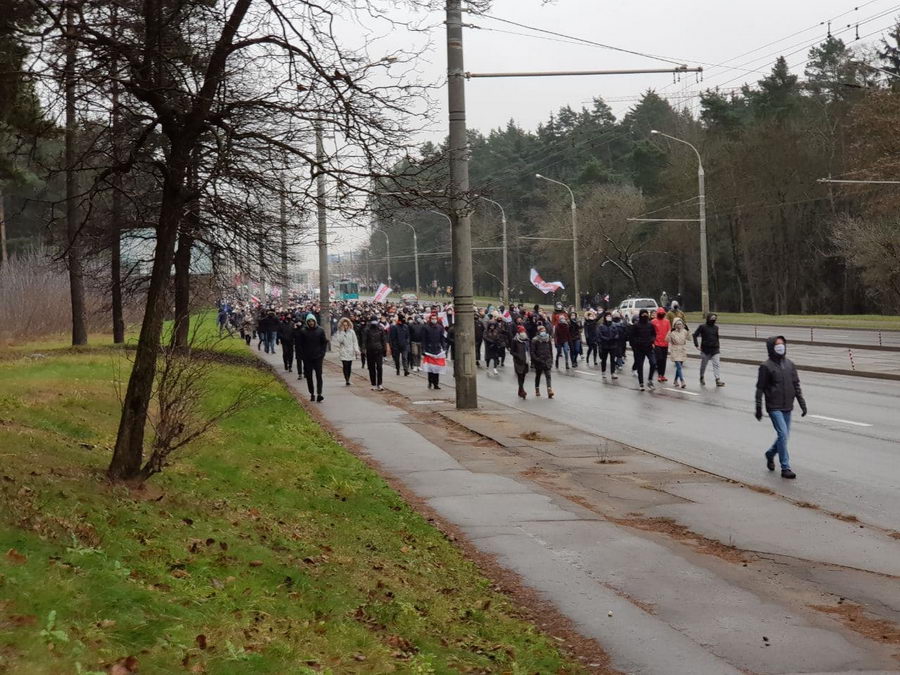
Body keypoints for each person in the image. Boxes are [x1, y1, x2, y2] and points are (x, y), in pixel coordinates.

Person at [755, 336, 807, 479]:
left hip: (787, 406)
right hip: (774, 406)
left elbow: (796, 385)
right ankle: (785, 467)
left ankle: (770, 454)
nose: (780, 346)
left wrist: (802, 403)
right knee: (783, 434)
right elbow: (760, 388)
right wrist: (758, 407)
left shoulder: (790, 364)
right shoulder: (766, 366)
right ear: (771, 347)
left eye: (782, 344)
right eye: (777, 344)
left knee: (784, 436)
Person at [296, 314, 327, 402]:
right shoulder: (303, 331)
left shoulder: (320, 330)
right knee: (309, 376)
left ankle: (319, 393)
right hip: (307, 357)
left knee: (319, 375)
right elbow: (299, 345)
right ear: (307, 322)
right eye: (309, 321)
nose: (311, 323)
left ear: (315, 321)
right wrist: (302, 355)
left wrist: (322, 353)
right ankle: (312, 393)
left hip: (318, 357)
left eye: (312, 321)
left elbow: (324, 343)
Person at [693, 313, 725, 387]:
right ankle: (701, 377)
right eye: (712, 318)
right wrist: (696, 345)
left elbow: (716, 337)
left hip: (715, 349)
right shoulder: (702, 327)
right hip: (705, 350)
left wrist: (718, 346)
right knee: (704, 365)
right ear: (708, 318)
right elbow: (695, 335)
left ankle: (717, 380)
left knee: (716, 364)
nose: (713, 320)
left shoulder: (716, 327)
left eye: (715, 318)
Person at [629, 309, 657, 391]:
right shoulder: (636, 325)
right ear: (640, 315)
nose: (644, 316)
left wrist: (652, 340)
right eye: (643, 314)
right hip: (639, 349)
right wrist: (636, 344)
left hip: (649, 347)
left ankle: (650, 380)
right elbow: (631, 337)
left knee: (653, 363)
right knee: (640, 365)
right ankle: (641, 383)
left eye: (646, 314)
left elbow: (654, 334)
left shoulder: (650, 325)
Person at [422, 313, 448, 390]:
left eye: (435, 318)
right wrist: (423, 349)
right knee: (430, 368)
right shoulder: (425, 327)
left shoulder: (440, 328)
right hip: (429, 350)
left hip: (437, 350)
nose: (434, 320)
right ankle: (430, 382)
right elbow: (423, 340)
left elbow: (442, 339)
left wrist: (444, 347)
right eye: (432, 318)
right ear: (430, 319)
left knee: (437, 368)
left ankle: (436, 384)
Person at [333, 317, 359, 386]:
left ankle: (348, 378)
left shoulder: (352, 332)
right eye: (344, 325)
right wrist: (342, 332)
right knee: (345, 365)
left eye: (346, 325)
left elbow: (355, 341)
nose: (345, 326)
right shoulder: (339, 332)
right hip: (343, 351)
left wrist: (356, 349)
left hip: (350, 351)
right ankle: (346, 378)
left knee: (349, 366)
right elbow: (339, 340)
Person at [530, 323, 554, 398]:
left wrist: (551, 358)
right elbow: (532, 352)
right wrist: (536, 359)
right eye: (542, 330)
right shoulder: (535, 340)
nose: (544, 331)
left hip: (547, 360)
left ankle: (549, 390)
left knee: (548, 375)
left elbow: (550, 349)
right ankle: (537, 389)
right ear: (539, 331)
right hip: (539, 361)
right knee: (538, 376)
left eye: (544, 330)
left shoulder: (548, 339)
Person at [363, 317, 387, 391]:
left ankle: (379, 383)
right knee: (371, 368)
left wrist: (384, 350)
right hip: (370, 351)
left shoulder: (380, 329)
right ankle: (373, 383)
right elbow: (364, 340)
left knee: (379, 367)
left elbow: (383, 340)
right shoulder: (367, 329)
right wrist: (364, 350)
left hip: (379, 350)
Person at [667, 318, 689, 389]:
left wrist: (688, 330)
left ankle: (675, 380)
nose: (679, 325)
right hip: (675, 350)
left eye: (680, 324)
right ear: (675, 325)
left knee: (679, 367)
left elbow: (690, 338)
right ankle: (682, 381)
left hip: (682, 350)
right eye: (678, 324)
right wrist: (669, 332)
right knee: (679, 366)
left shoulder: (684, 331)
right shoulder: (672, 332)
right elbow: (667, 340)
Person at [510, 325, 530, 399]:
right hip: (518, 361)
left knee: (523, 375)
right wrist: (518, 355)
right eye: (521, 331)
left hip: (526, 360)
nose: (523, 332)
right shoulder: (514, 340)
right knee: (520, 375)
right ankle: (522, 391)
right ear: (518, 332)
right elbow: (512, 351)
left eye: (523, 331)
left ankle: (520, 389)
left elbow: (528, 349)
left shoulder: (527, 340)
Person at [651, 308, 671, 383]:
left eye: (663, 313)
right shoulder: (653, 321)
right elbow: (651, 332)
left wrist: (669, 338)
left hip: (665, 343)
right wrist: (652, 343)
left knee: (664, 360)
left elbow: (669, 331)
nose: (662, 314)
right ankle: (659, 375)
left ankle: (662, 375)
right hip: (657, 343)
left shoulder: (667, 321)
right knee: (659, 359)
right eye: (660, 313)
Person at [597, 311, 619, 379]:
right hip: (605, 345)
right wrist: (606, 339)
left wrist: (615, 337)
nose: (609, 317)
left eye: (610, 316)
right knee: (604, 360)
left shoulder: (614, 325)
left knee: (612, 360)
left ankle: (613, 373)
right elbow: (600, 335)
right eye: (607, 316)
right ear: (605, 317)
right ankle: (603, 372)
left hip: (613, 345)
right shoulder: (601, 326)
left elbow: (617, 333)